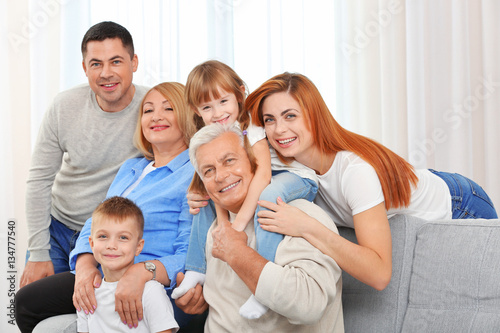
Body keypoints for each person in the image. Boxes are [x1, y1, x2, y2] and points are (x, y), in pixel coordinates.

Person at [243, 72, 498, 291]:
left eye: (290, 116)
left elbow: (379, 274)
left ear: (314, 116)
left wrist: (306, 226)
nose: (278, 130)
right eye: (269, 120)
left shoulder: (355, 172)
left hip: (460, 203)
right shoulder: (281, 162)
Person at [15, 82, 198, 333]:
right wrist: (85, 266)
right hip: (105, 270)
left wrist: (143, 272)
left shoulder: (193, 173)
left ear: (187, 116)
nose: (156, 116)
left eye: (168, 109)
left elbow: (190, 250)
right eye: (148, 110)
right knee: (27, 302)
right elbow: (97, 220)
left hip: (150, 283)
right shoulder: (131, 168)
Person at [171, 60, 318, 319]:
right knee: (204, 200)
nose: (217, 113)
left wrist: (237, 225)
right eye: (207, 107)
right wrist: (222, 221)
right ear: (196, 109)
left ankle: (263, 285)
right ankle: (196, 270)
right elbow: (215, 187)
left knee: (267, 197)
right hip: (263, 179)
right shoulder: (211, 134)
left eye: (223, 102)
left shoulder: (251, 125)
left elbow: (262, 174)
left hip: (292, 177)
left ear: (239, 94)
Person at [176, 123, 344, 332]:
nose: (220, 176)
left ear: (254, 163)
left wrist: (238, 254)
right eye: (208, 171)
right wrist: (195, 302)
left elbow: (310, 305)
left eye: (229, 161)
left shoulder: (298, 216)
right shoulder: (209, 230)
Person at [21, 21, 149, 289]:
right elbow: (39, 180)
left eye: (116, 61)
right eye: (96, 64)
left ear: (133, 62)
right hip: (57, 228)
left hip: (112, 238)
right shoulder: (65, 105)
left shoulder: (154, 109)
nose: (106, 73)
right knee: (30, 306)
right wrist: (38, 251)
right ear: (84, 68)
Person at [77, 196, 179, 333]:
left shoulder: (151, 292)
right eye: (103, 236)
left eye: (123, 238)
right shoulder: (88, 294)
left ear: (138, 246)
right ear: (91, 243)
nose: (111, 245)